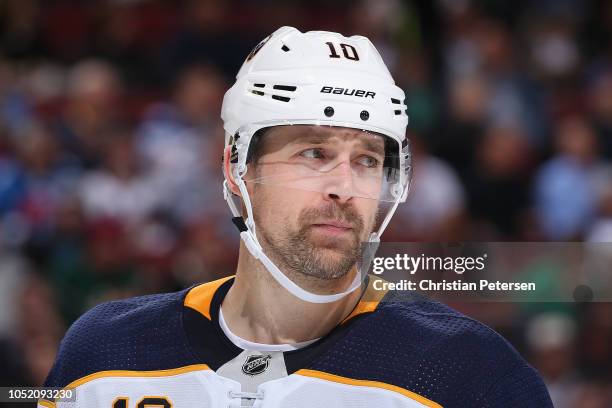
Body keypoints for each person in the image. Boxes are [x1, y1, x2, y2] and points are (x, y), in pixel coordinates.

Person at [40, 26, 552, 408]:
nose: (343, 187)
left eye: (368, 161)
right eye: (313, 153)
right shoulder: (103, 354)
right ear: (238, 167)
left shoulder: (469, 374)